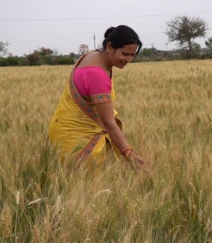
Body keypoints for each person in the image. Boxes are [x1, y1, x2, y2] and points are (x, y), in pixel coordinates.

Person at [48, 25, 146, 171]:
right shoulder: (97, 76)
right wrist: (128, 154)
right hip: (78, 140)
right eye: (125, 54)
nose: (129, 59)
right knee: (84, 188)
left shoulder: (92, 55)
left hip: (63, 130)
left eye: (132, 55)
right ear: (109, 46)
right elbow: (108, 122)